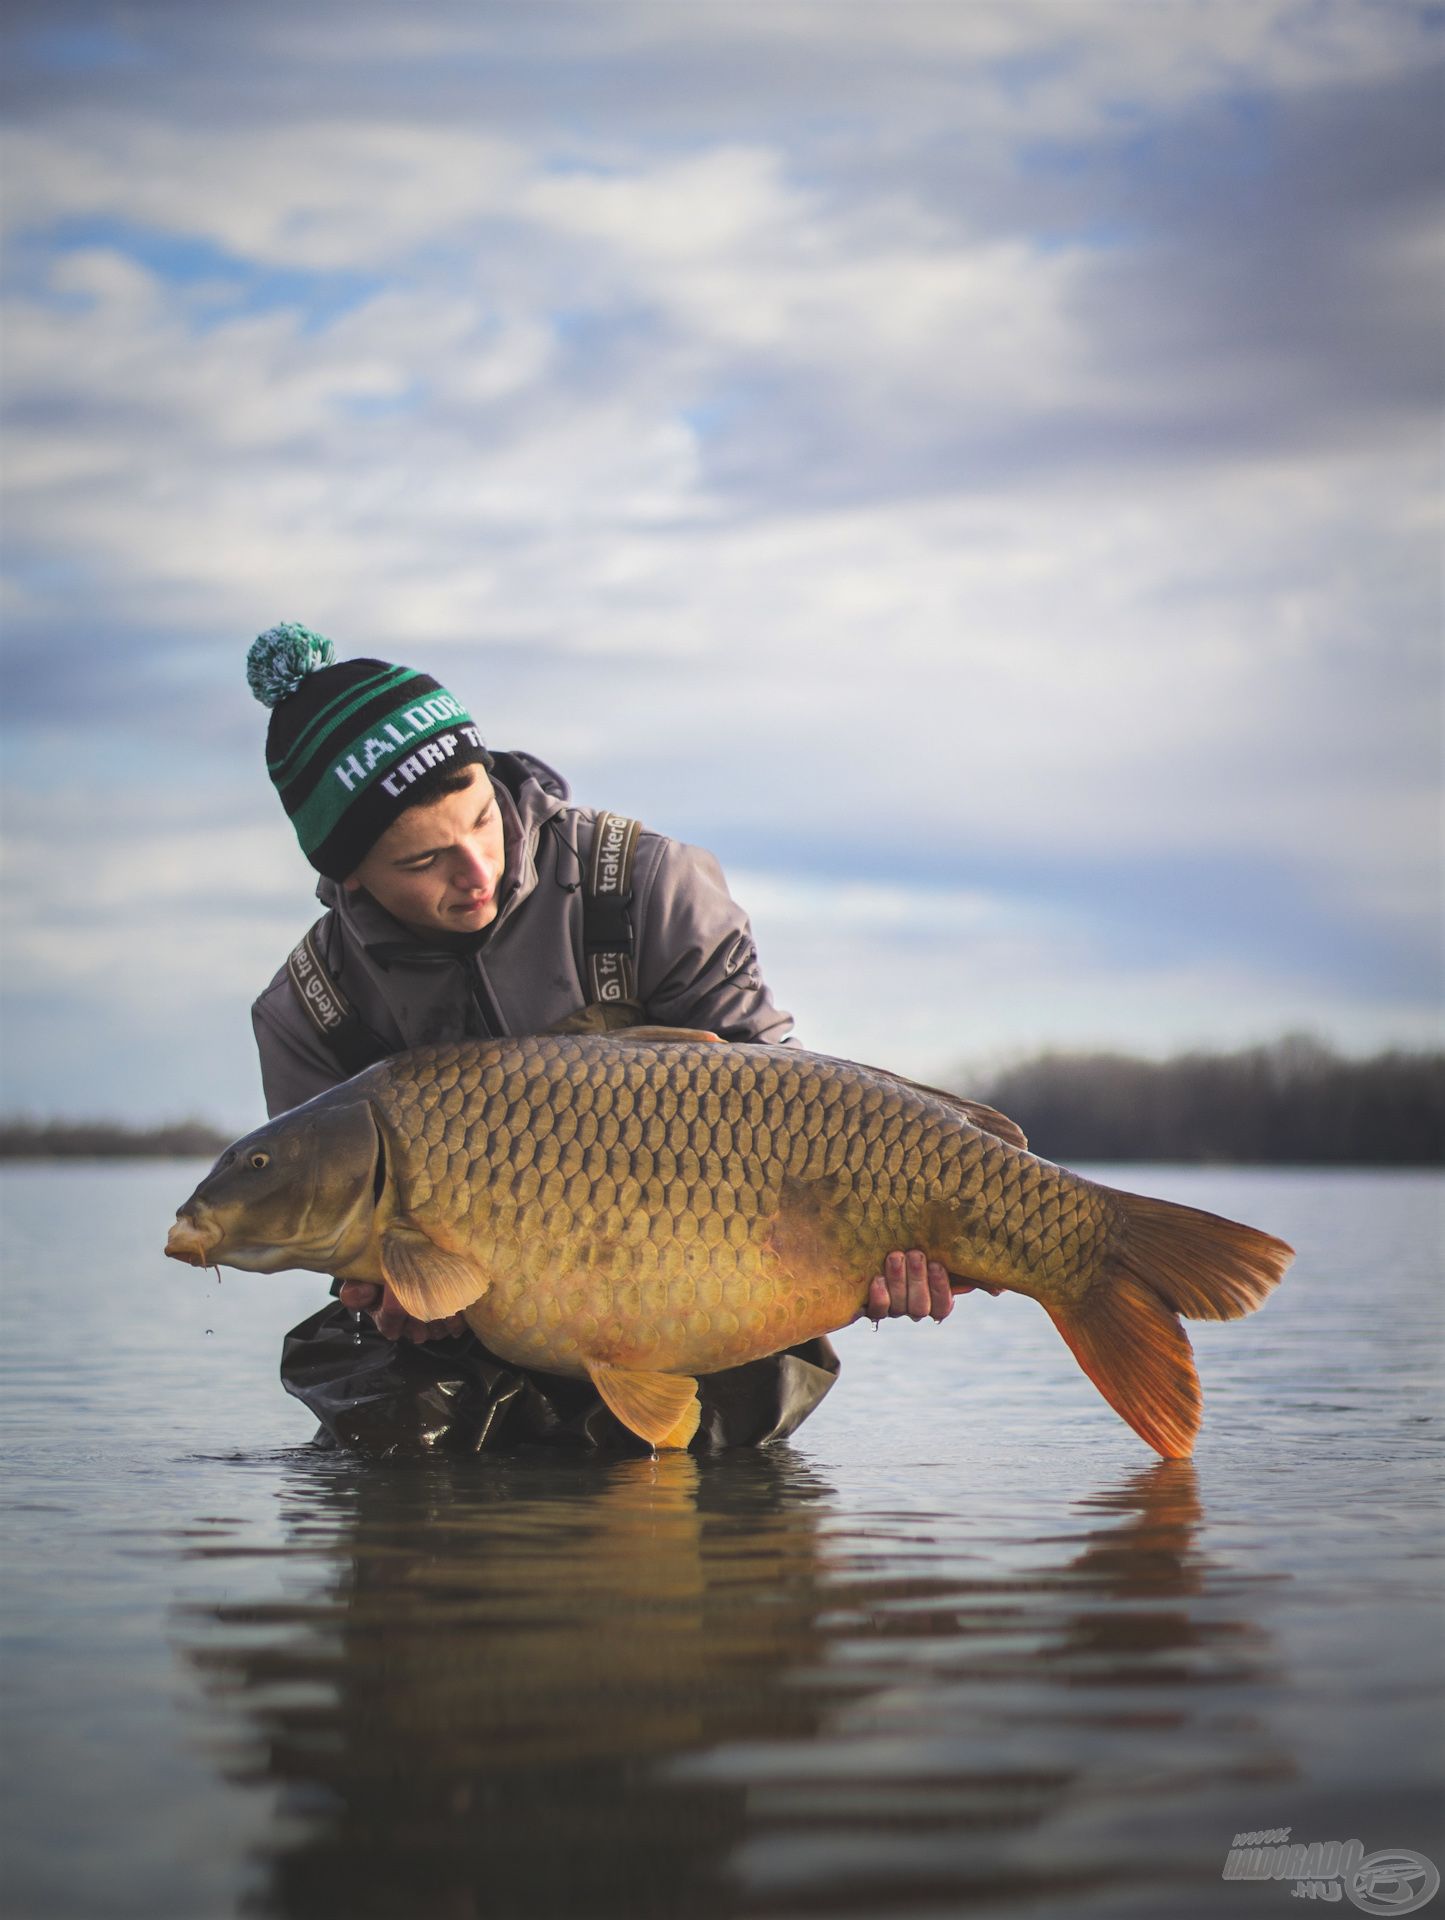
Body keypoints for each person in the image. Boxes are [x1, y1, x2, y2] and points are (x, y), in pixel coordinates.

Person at [247, 622, 954, 1454]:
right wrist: (376, 1290)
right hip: (476, 1327)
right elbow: (337, 1233)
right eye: (423, 863)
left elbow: (785, 1111)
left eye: (482, 819)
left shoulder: (644, 885)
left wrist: (870, 1250)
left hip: (703, 1284)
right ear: (348, 873)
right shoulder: (310, 1008)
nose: (475, 869)